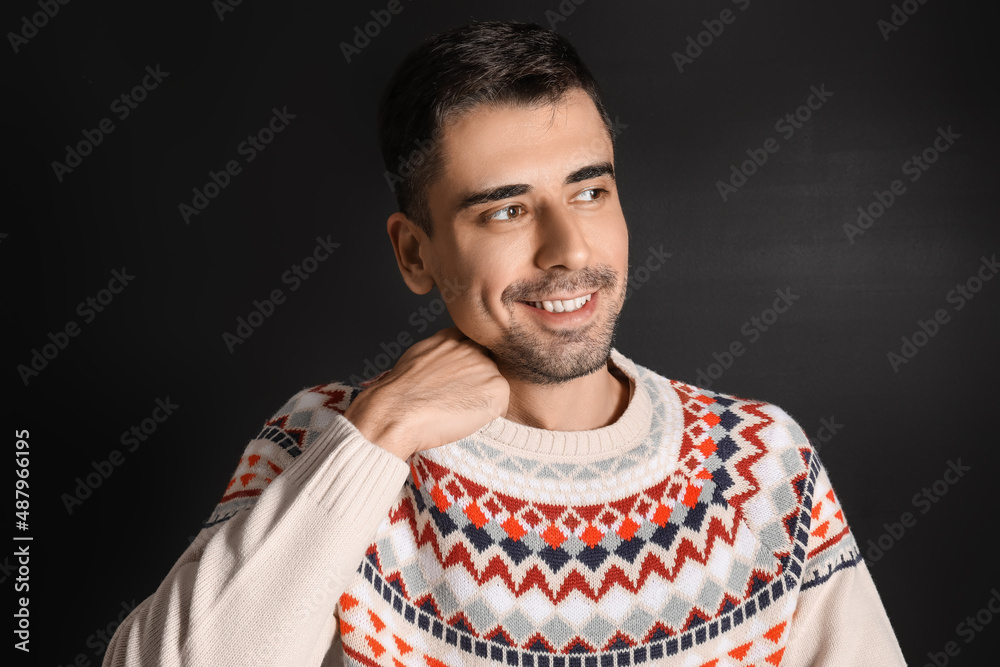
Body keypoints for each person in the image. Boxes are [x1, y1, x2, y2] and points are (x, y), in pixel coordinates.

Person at [104, 20, 906, 667]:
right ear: (414, 253)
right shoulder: (329, 441)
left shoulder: (764, 463)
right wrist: (377, 435)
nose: (568, 249)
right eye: (505, 211)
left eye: (590, 191)